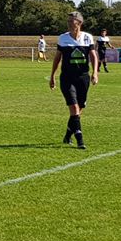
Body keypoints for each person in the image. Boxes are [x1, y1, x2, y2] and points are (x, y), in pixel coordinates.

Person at [49, 12, 99, 150]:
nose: (69, 23)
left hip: (83, 77)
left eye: (72, 21)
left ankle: (67, 135)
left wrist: (95, 72)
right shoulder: (63, 38)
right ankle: (80, 140)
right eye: (68, 21)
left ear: (79, 23)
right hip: (67, 78)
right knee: (74, 108)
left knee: (79, 109)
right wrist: (53, 75)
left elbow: (93, 56)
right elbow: (57, 58)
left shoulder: (88, 38)